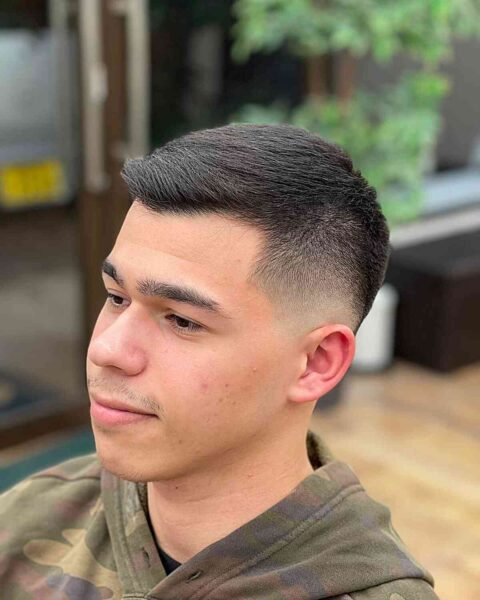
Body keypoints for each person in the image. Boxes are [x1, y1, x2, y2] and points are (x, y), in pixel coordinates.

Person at [0, 124, 439, 599]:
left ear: (316, 362)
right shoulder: (30, 516)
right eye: (117, 297)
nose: (107, 350)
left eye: (182, 321)